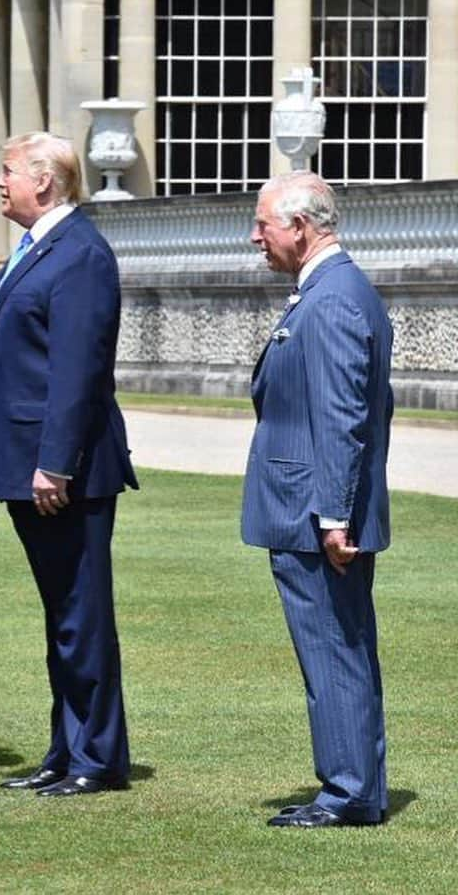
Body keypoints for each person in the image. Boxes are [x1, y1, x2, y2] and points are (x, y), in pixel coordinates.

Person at [0, 131, 137, 797]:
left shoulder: (80, 255)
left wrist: (55, 464)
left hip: (65, 470)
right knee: (62, 614)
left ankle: (96, 756)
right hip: (33, 461)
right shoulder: (41, 248)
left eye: (7, 171)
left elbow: (76, 371)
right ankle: (66, 749)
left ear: (44, 180)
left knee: (80, 613)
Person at [242, 170, 392, 829]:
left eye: (263, 225)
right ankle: (356, 786)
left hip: (315, 517)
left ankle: (348, 793)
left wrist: (333, 516)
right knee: (342, 652)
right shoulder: (333, 290)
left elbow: (340, 417)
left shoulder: (331, 300)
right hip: (313, 510)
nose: (255, 238)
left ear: (300, 227)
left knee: (334, 655)